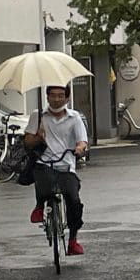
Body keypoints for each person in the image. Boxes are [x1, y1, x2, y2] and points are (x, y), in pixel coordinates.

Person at [24, 85, 88, 255]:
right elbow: (28, 142)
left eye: (61, 96)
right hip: (44, 162)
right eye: (53, 95)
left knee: (74, 200)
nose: (56, 99)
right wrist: (38, 137)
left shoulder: (74, 118)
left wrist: (80, 149)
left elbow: (82, 141)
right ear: (47, 97)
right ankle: (39, 206)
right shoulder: (38, 116)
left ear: (67, 98)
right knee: (44, 182)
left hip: (66, 164)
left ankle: (73, 240)